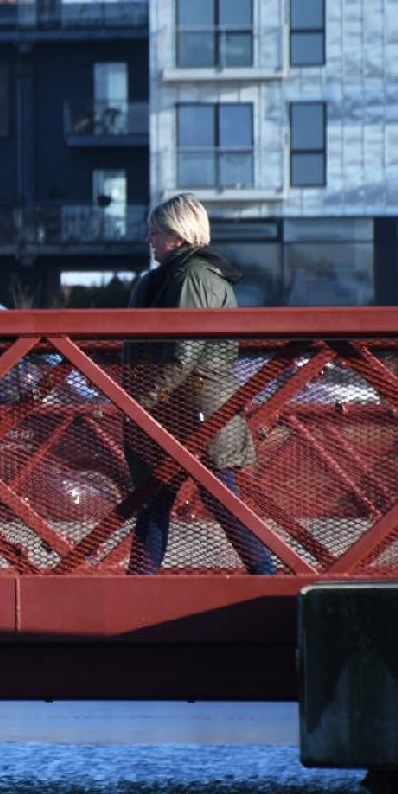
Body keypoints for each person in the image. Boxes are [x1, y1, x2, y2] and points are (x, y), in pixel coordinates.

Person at [123, 193, 276, 575]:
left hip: (198, 410)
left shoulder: (194, 275)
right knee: (161, 499)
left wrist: (140, 400)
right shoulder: (177, 275)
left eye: (155, 232)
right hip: (185, 408)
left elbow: (182, 353)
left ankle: (267, 577)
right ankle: (137, 587)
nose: (150, 239)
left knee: (219, 499)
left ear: (179, 235)